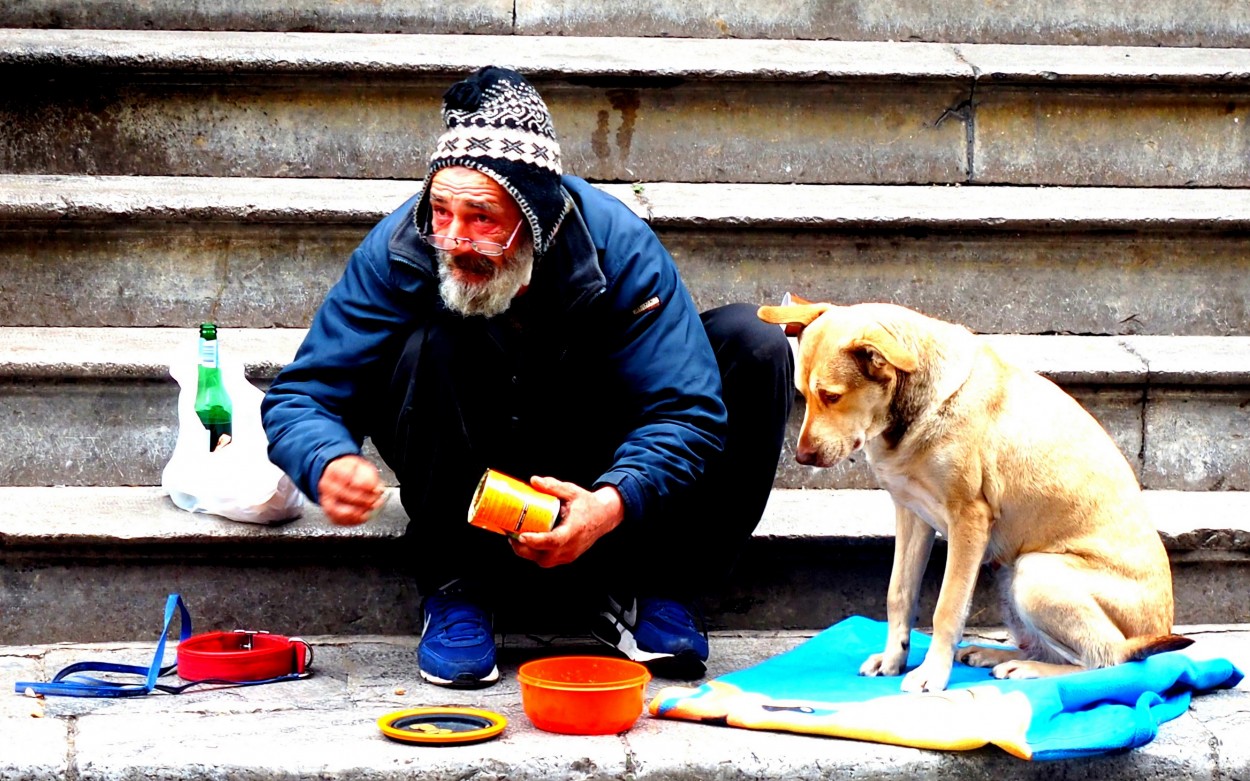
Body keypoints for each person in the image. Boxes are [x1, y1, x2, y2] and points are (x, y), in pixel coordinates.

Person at [262, 66, 793, 688]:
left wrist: (611, 501)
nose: (454, 238)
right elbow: (304, 392)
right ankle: (457, 586)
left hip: (594, 457)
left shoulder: (617, 246)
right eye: (440, 210)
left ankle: (659, 587)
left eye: (482, 218)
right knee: (432, 339)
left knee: (754, 345)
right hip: (468, 459)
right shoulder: (404, 246)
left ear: (535, 220)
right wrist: (325, 458)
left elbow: (688, 409)